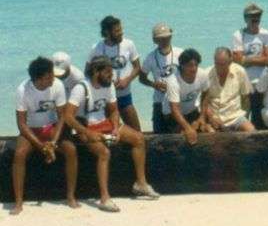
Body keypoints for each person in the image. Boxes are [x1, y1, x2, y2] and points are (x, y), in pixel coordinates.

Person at [65, 55, 159, 213]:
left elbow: (114, 110)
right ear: (96, 72)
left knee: (139, 139)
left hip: (104, 123)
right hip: (85, 126)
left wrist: (115, 127)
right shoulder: (80, 89)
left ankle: (141, 183)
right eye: (108, 72)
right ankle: (104, 198)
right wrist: (87, 133)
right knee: (104, 153)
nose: (112, 76)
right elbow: (68, 116)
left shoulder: (108, 86)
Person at [12, 57, 79, 215]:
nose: (53, 78)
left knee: (71, 150)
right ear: (38, 79)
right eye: (49, 76)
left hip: (52, 128)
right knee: (19, 155)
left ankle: (70, 196)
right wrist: (39, 145)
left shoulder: (58, 85)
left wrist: (54, 141)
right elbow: (21, 124)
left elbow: (62, 116)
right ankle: (18, 202)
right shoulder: (23, 90)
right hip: (31, 129)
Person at [89, 15, 142, 131]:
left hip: (124, 95)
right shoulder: (97, 48)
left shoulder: (129, 44)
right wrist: (105, 81)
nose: (121, 33)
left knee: (136, 130)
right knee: (110, 131)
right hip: (106, 99)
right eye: (117, 30)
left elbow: (137, 67)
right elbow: (88, 73)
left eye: (121, 29)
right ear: (107, 32)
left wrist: (127, 80)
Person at [232, 3, 268, 129]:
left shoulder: (266, 34)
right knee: (244, 113)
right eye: (251, 16)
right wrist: (260, 58)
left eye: (258, 16)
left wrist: (246, 59)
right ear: (245, 18)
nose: (255, 19)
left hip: (262, 81)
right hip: (244, 81)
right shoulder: (238, 35)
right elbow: (237, 60)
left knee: (259, 115)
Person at [139, 23, 183, 134]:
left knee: (178, 132)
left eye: (167, 37)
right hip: (159, 100)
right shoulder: (150, 58)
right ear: (155, 40)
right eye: (161, 38)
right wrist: (154, 84)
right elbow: (142, 78)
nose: (165, 40)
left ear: (171, 37)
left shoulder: (180, 53)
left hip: (178, 99)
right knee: (159, 133)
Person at [162, 48, 211, 145]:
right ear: (182, 66)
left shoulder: (202, 74)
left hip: (191, 111)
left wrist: (202, 116)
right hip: (172, 115)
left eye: (196, 65)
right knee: (185, 137)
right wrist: (187, 128)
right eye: (190, 65)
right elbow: (174, 109)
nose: (194, 69)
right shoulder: (173, 81)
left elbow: (206, 93)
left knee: (208, 130)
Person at [204, 47, 255, 132]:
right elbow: (204, 102)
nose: (219, 68)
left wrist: (245, 117)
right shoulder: (206, 74)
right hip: (214, 119)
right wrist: (211, 118)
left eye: (223, 64)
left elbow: (245, 98)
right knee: (211, 138)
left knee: (252, 133)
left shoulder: (240, 71)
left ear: (230, 62)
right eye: (217, 64)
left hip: (235, 117)